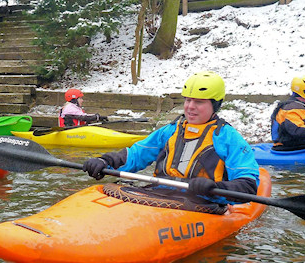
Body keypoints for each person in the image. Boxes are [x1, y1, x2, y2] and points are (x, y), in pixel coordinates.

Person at [82, 71, 259, 204]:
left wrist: (216, 189)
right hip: (159, 196)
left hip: (204, 202)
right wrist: (105, 161)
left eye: (199, 102)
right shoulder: (171, 130)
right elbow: (137, 154)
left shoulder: (228, 137)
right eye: (188, 100)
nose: (190, 107)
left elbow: (248, 184)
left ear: (215, 105)